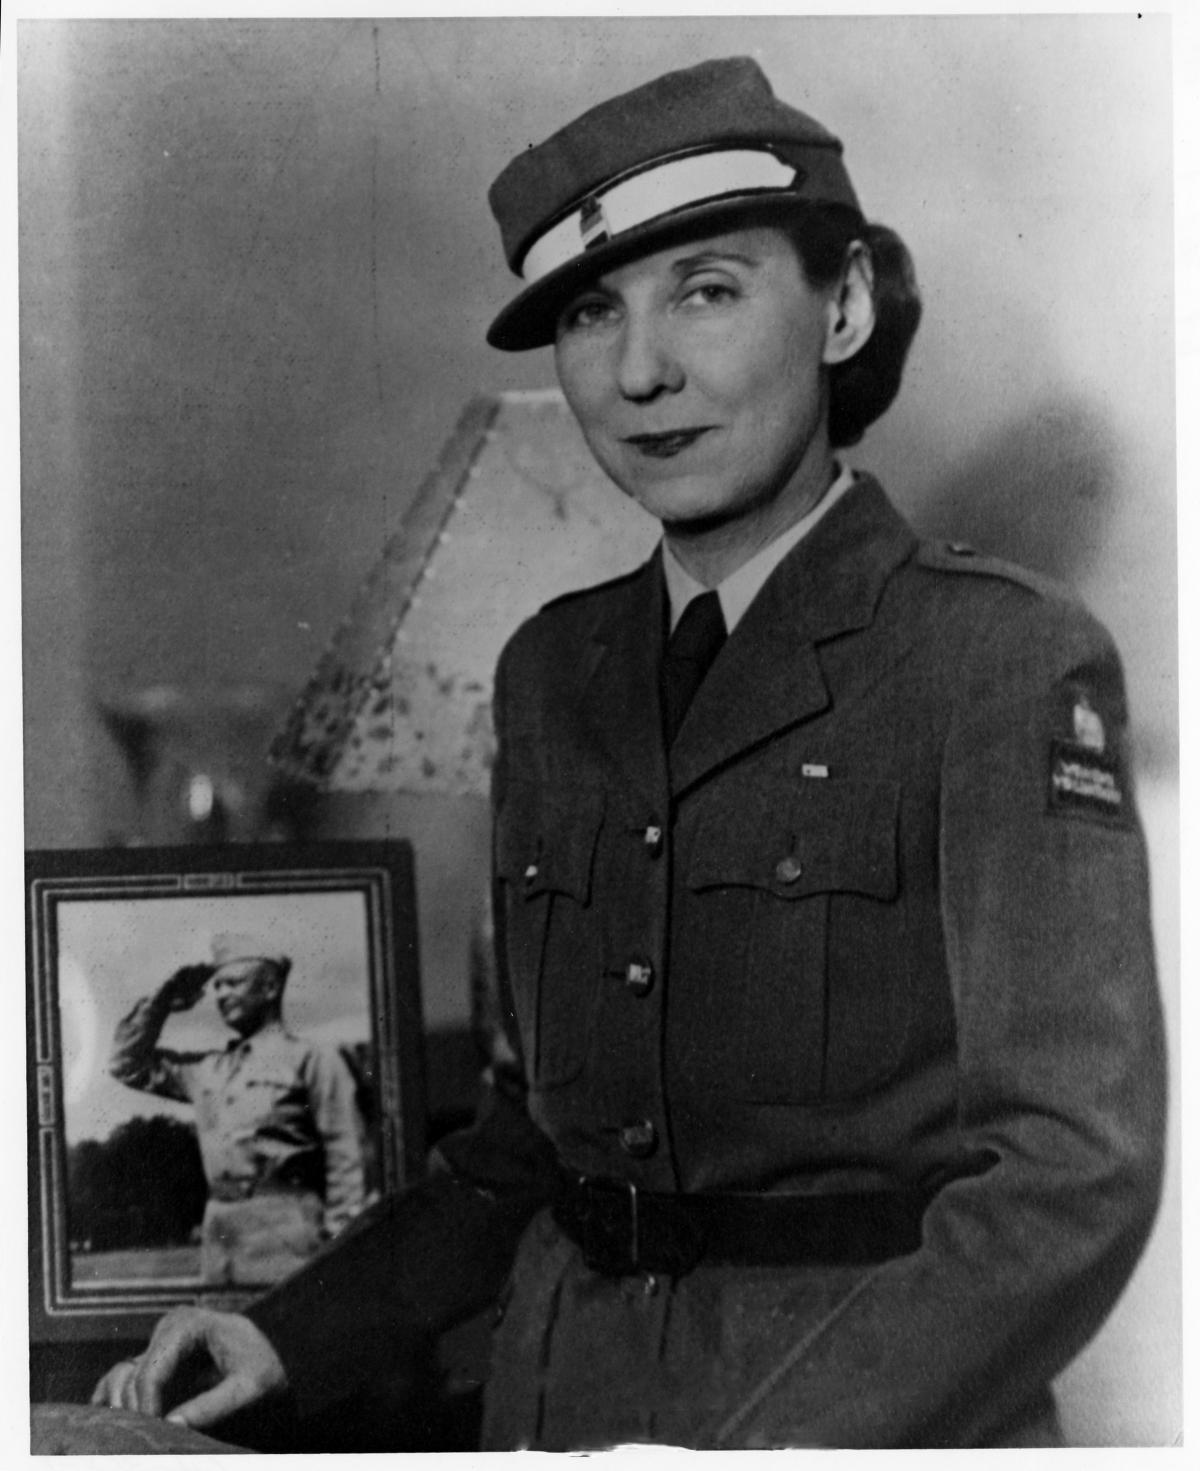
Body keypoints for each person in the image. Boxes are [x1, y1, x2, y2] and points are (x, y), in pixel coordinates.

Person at [92, 56, 1166, 1448]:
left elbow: (1069, 1176)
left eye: (707, 290)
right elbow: (533, 1139)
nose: (641, 368)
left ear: (840, 308)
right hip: (555, 1401)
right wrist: (292, 1329)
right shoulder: (556, 673)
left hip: (856, 1423)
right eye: (592, 311)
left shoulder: (997, 660)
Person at [108, 932, 366, 1285]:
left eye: (234, 983)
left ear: (271, 988)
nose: (221, 995)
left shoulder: (313, 1059)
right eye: (217, 987)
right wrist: (163, 1000)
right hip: (220, 1235)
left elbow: (347, 1155)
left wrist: (340, 1251)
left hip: (288, 1232)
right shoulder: (207, 1069)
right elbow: (126, 1065)